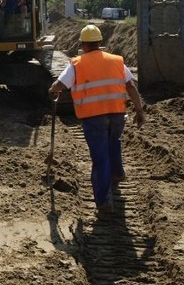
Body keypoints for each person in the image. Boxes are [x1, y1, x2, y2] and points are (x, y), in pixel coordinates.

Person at [48, 24, 146, 216]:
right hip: (117, 115)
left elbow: (59, 85)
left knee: (100, 159)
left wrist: (53, 89)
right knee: (114, 141)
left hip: (94, 119)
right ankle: (117, 173)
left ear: (83, 44)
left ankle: (103, 203)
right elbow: (131, 87)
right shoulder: (117, 61)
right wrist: (140, 111)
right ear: (100, 43)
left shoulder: (77, 64)